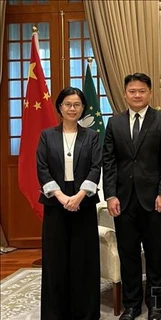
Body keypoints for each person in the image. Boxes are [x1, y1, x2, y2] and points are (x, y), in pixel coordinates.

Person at [103, 73, 161, 320]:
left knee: (155, 254)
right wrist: (111, 195)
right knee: (129, 254)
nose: (137, 95)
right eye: (132, 91)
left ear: (150, 93)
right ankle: (132, 305)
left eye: (142, 91)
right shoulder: (114, 123)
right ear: (125, 94)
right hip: (123, 201)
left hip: (153, 200)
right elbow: (109, 161)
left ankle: (155, 305)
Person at [36, 87, 101, 320]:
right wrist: (62, 197)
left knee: (84, 260)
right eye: (68, 104)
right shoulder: (47, 136)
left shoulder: (92, 136)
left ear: (83, 108)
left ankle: (86, 313)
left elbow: (96, 167)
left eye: (77, 105)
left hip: (83, 201)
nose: (72, 109)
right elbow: (42, 169)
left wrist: (79, 196)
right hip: (56, 203)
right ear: (60, 108)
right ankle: (55, 314)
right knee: (56, 260)